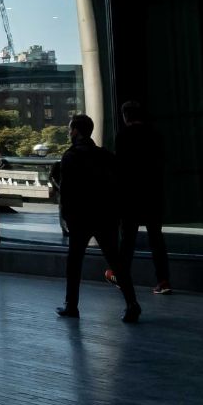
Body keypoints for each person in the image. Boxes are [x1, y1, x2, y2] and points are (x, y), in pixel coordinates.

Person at [51, 114, 142, 323]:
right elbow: (119, 185)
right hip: (105, 217)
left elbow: (67, 192)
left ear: (76, 131)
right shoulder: (106, 155)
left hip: (80, 218)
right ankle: (132, 303)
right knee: (116, 262)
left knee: (74, 263)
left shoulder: (70, 156)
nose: (69, 132)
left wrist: (66, 217)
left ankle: (71, 305)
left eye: (70, 129)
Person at [109, 101, 173, 295]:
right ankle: (163, 280)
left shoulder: (123, 136)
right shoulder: (155, 135)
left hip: (131, 196)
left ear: (125, 117)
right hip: (153, 194)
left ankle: (122, 277)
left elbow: (120, 169)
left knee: (127, 240)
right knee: (157, 239)